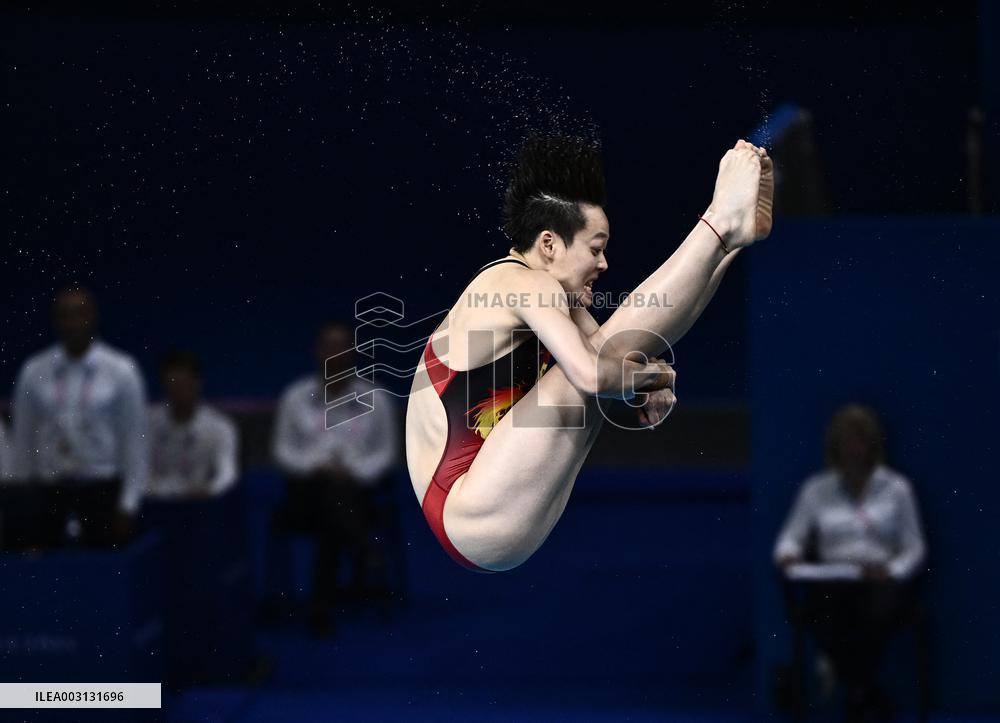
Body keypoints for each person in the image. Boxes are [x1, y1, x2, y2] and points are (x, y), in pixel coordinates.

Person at [405, 134, 773, 572]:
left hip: (486, 514)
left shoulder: (553, 295)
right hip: (466, 505)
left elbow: (626, 354)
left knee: (614, 350)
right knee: (600, 363)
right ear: (548, 244)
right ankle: (719, 225)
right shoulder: (521, 282)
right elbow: (597, 375)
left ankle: (729, 241)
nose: (603, 265)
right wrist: (644, 379)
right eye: (595, 249)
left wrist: (641, 383)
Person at [773, 404, 927, 720]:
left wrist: (892, 571)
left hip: (880, 582)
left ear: (873, 445)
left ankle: (846, 679)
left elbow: (914, 548)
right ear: (835, 446)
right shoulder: (816, 490)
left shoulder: (897, 489)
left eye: (860, 441)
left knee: (874, 610)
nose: (854, 450)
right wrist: (788, 554)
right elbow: (790, 538)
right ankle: (863, 692)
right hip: (834, 580)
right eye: (846, 441)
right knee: (831, 605)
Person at [273, 321, 399, 634]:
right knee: (328, 493)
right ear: (316, 352)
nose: (336, 353)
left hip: (359, 494)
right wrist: (314, 467)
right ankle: (362, 547)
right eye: (329, 345)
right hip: (305, 495)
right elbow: (282, 452)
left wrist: (352, 473)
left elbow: (386, 454)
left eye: (343, 346)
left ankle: (320, 604)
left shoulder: (377, 398)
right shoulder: (295, 398)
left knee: (335, 503)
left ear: (354, 352)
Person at [10, 286, 148, 547]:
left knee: (102, 577)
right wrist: (24, 499)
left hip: (101, 489)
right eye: (64, 315)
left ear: (93, 316)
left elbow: (134, 442)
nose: (72, 323)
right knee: (46, 579)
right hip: (49, 491)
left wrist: (129, 503)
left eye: (79, 314)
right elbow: (23, 441)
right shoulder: (33, 370)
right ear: (55, 321)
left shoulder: (121, 370)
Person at [147, 350, 239, 500]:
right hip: (153, 503)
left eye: (184, 385)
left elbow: (227, 474)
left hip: (199, 505)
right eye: (173, 385)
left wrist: (210, 490)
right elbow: (135, 470)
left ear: (198, 383)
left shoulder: (220, 427)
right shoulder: (146, 423)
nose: (178, 392)